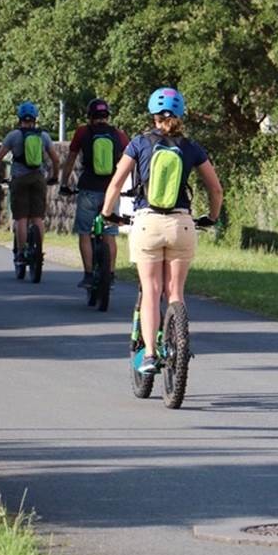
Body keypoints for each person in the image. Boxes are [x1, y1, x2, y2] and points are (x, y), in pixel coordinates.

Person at [101, 87, 223, 373]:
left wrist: (108, 213)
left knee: (152, 289)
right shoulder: (191, 147)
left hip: (147, 223)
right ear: (181, 114)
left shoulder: (139, 143)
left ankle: (150, 355)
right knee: (175, 292)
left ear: (153, 115)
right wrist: (212, 218)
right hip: (182, 224)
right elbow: (216, 189)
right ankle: (179, 342)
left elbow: (117, 182)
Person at [59, 98, 130, 288]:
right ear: (107, 116)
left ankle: (89, 275)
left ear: (90, 116)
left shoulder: (83, 132)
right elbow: (131, 161)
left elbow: (71, 159)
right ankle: (112, 274)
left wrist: (64, 184)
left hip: (89, 188)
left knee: (84, 232)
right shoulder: (119, 135)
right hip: (111, 190)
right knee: (110, 233)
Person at [0, 101, 60, 264]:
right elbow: (56, 160)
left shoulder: (13, 136)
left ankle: (21, 253)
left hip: (19, 179)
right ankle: (39, 252)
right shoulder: (43, 136)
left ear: (19, 118)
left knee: (21, 217)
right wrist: (54, 177)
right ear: (35, 118)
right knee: (38, 218)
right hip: (38, 178)